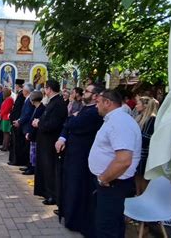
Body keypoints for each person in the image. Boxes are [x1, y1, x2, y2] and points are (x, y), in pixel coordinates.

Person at [88, 89, 142, 238]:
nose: (95, 105)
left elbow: (124, 160)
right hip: (110, 182)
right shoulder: (114, 119)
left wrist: (103, 178)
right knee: (111, 224)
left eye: (98, 102)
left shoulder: (120, 122)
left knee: (107, 227)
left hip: (112, 183)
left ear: (108, 102)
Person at [54, 84, 104, 236]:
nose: (84, 92)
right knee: (70, 186)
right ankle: (68, 214)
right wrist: (63, 135)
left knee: (77, 187)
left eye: (87, 91)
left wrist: (70, 120)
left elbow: (72, 124)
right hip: (72, 154)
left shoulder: (94, 112)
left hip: (82, 156)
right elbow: (68, 125)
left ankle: (74, 219)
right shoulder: (84, 108)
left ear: (95, 96)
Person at [32, 80, 67, 205]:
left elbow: (54, 124)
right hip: (45, 141)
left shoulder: (58, 103)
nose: (44, 91)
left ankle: (52, 195)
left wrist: (39, 123)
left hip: (50, 141)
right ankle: (46, 192)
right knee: (45, 168)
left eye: (45, 88)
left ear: (50, 89)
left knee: (50, 169)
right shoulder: (53, 102)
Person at [134, 96, 158, 195]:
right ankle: (137, 194)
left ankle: (143, 196)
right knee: (137, 177)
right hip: (138, 152)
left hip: (144, 154)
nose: (136, 106)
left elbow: (146, 138)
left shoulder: (151, 119)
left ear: (145, 106)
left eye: (138, 103)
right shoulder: (140, 117)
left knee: (143, 178)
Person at [13, 83, 35, 173]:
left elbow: (27, 114)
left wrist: (19, 121)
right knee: (27, 147)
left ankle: (30, 167)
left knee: (29, 147)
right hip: (24, 125)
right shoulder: (27, 99)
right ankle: (28, 165)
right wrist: (19, 120)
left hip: (27, 126)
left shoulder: (30, 99)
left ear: (26, 91)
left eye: (24, 90)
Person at [24, 91, 45, 176]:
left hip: (35, 135)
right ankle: (30, 166)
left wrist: (30, 134)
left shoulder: (41, 108)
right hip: (32, 133)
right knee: (31, 152)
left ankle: (33, 168)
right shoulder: (36, 108)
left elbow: (35, 124)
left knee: (34, 153)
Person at [8, 79, 25, 165]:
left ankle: (16, 160)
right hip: (15, 120)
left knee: (16, 142)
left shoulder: (22, 95)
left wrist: (14, 118)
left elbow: (18, 109)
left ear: (18, 86)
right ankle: (13, 159)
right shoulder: (20, 94)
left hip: (16, 121)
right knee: (14, 141)